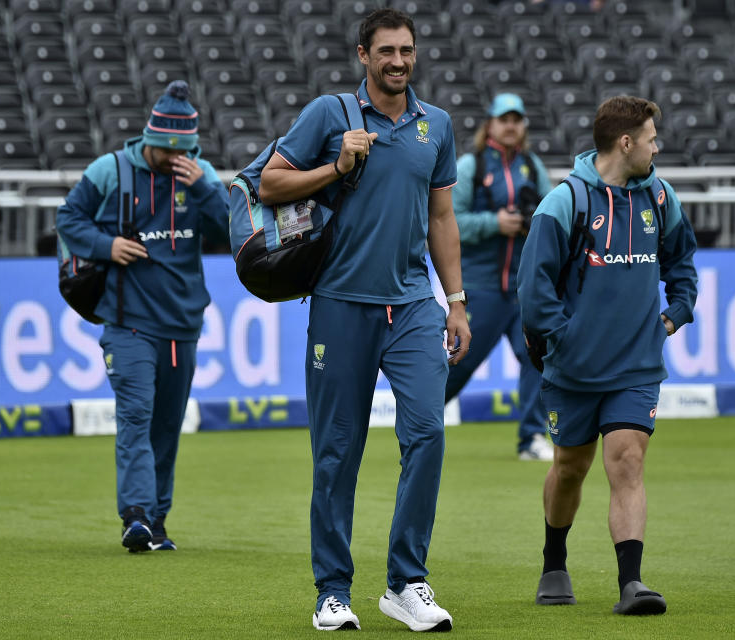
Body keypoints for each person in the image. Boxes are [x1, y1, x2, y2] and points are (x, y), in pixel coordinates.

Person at [258, 8, 470, 633]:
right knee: (336, 454)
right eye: (386, 51)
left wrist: (456, 302)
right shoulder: (330, 115)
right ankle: (332, 591)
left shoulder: (438, 125)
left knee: (428, 433)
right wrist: (336, 167)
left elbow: (441, 218)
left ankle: (406, 583)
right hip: (340, 307)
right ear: (362, 55)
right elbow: (269, 184)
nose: (398, 61)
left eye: (406, 50)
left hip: (411, 306)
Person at [518, 96, 698, 615]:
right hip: (572, 370)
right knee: (571, 468)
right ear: (626, 143)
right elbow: (534, 293)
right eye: (650, 138)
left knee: (627, 459)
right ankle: (555, 561)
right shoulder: (563, 203)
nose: (656, 147)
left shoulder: (660, 197)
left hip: (637, 366)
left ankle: (632, 583)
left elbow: (682, 261)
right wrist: (566, 338)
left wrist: (675, 313)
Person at [55, 80, 230, 552]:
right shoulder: (109, 170)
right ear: (149, 140)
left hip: (182, 325)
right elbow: (68, 217)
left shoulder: (200, 175)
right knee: (136, 417)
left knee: (167, 428)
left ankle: (157, 520)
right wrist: (105, 245)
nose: (172, 159)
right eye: (164, 150)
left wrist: (206, 187)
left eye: (182, 151)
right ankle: (135, 515)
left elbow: (234, 229)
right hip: (128, 322)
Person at [446, 93, 555, 461]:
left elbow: (552, 214)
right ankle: (420, 418)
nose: (511, 125)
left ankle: (531, 439)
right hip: (482, 286)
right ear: (490, 124)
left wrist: (531, 223)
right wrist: (496, 223)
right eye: (504, 119)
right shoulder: (469, 166)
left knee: (536, 359)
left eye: (517, 119)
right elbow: (449, 222)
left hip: (522, 289)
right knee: (460, 362)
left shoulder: (531, 166)